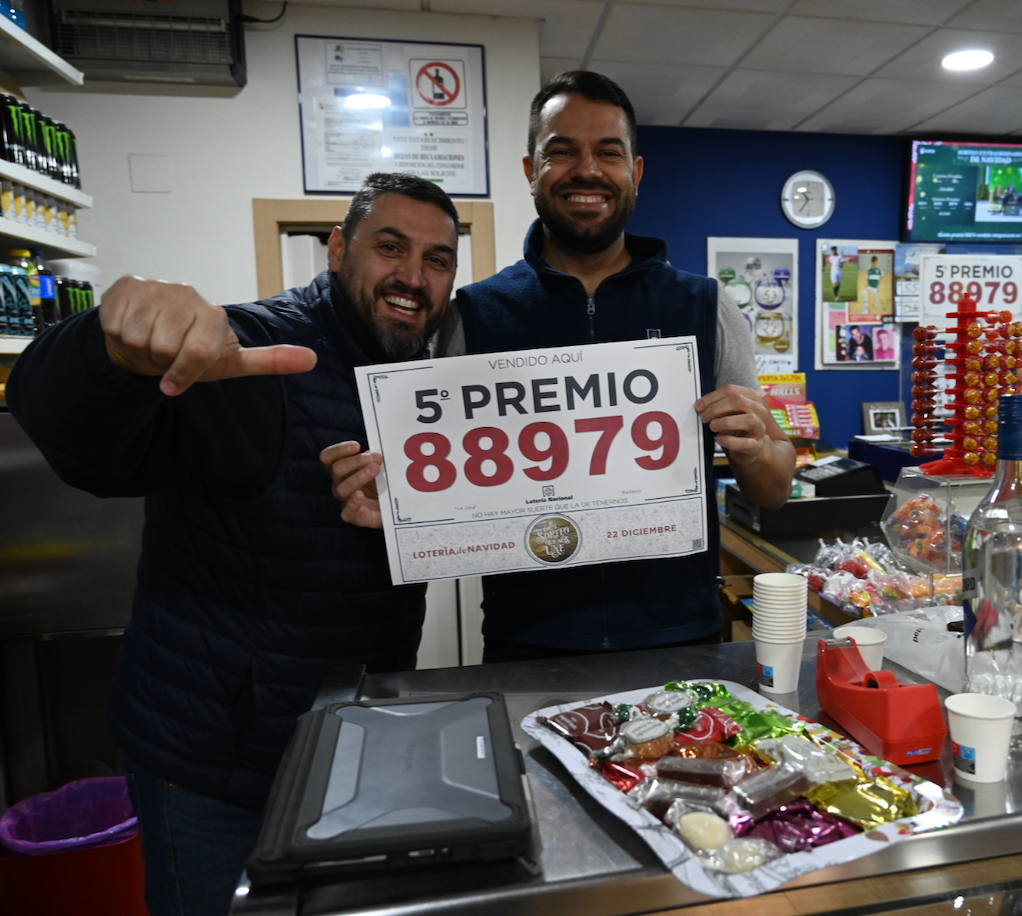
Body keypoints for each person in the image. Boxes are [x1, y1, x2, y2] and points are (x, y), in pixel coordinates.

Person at [6, 172, 462, 914]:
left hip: (352, 748)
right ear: (338, 249)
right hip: (213, 768)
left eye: (437, 259)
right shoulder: (252, 350)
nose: (413, 275)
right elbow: (78, 441)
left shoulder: (427, 383)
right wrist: (108, 353)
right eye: (390, 247)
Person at [324, 71, 795, 664]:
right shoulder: (475, 312)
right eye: (562, 152)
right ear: (531, 171)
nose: (588, 171)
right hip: (528, 642)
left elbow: (774, 490)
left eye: (608, 153)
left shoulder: (704, 304)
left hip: (679, 636)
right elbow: (428, 485)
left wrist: (756, 449)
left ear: (636, 173)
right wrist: (383, 488)